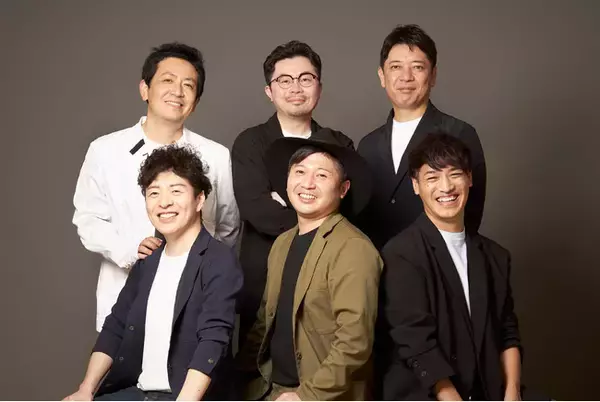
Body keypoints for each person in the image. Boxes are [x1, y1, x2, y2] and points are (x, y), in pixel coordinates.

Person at [73, 42, 239, 331]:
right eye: (168, 80)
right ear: (144, 89)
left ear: (196, 100)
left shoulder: (215, 156)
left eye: (188, 85)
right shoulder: (105, 150)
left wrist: (200, 265)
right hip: (125, 295)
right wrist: (130, 250)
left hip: (193, 299)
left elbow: (228, 227)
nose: (178, 91)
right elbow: (88, 219)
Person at [64, 145, 243, 401]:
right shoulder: (148, 261)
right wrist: (85, 390)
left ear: (199, 199)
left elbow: (213, 339)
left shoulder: (218, 260)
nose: (164, 202)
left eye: (176, 191)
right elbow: (116, 326)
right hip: (137, 393)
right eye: (154, 193)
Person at [236, 129, 382, 401]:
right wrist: (237, 381)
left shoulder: (353, 248)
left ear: (343, 189)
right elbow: (264, 323)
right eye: (300, 172)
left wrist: (305, 395)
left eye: (322, 175)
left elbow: (355, 341)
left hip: (318, 395)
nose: (308, 183)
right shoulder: (282, 243)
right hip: (269, 389)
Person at [378, 134, 521, 400]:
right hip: (424, 393)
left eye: (454, 174)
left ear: (469, 178)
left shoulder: (495, 256)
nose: (446, 187)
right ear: (416, 185)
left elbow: (507, 332)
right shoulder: (400, 253)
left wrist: (512, 392)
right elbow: (415, 342)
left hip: (486, 391)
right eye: (432, 177)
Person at [231, 41, 353, 349]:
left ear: (319, 87)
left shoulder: (340, 144)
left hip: (326, 279)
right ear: (269, 91)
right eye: (284, 80)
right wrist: (318, 211)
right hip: (263, 281)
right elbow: (257, 211)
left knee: (324, 363)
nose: (296, 88)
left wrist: (284, 203)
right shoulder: (250, 143)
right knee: (255, 368)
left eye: (305, 79)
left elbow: (350, 211)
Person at [357, 24, 486, 250]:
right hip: (375, 264)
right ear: (382, 76)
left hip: (436, 263)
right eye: (396, 67)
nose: (406, 77)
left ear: (433, 75)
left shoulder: (459, 134)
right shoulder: (367, 145)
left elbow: (471, 213)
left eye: (417, 67)